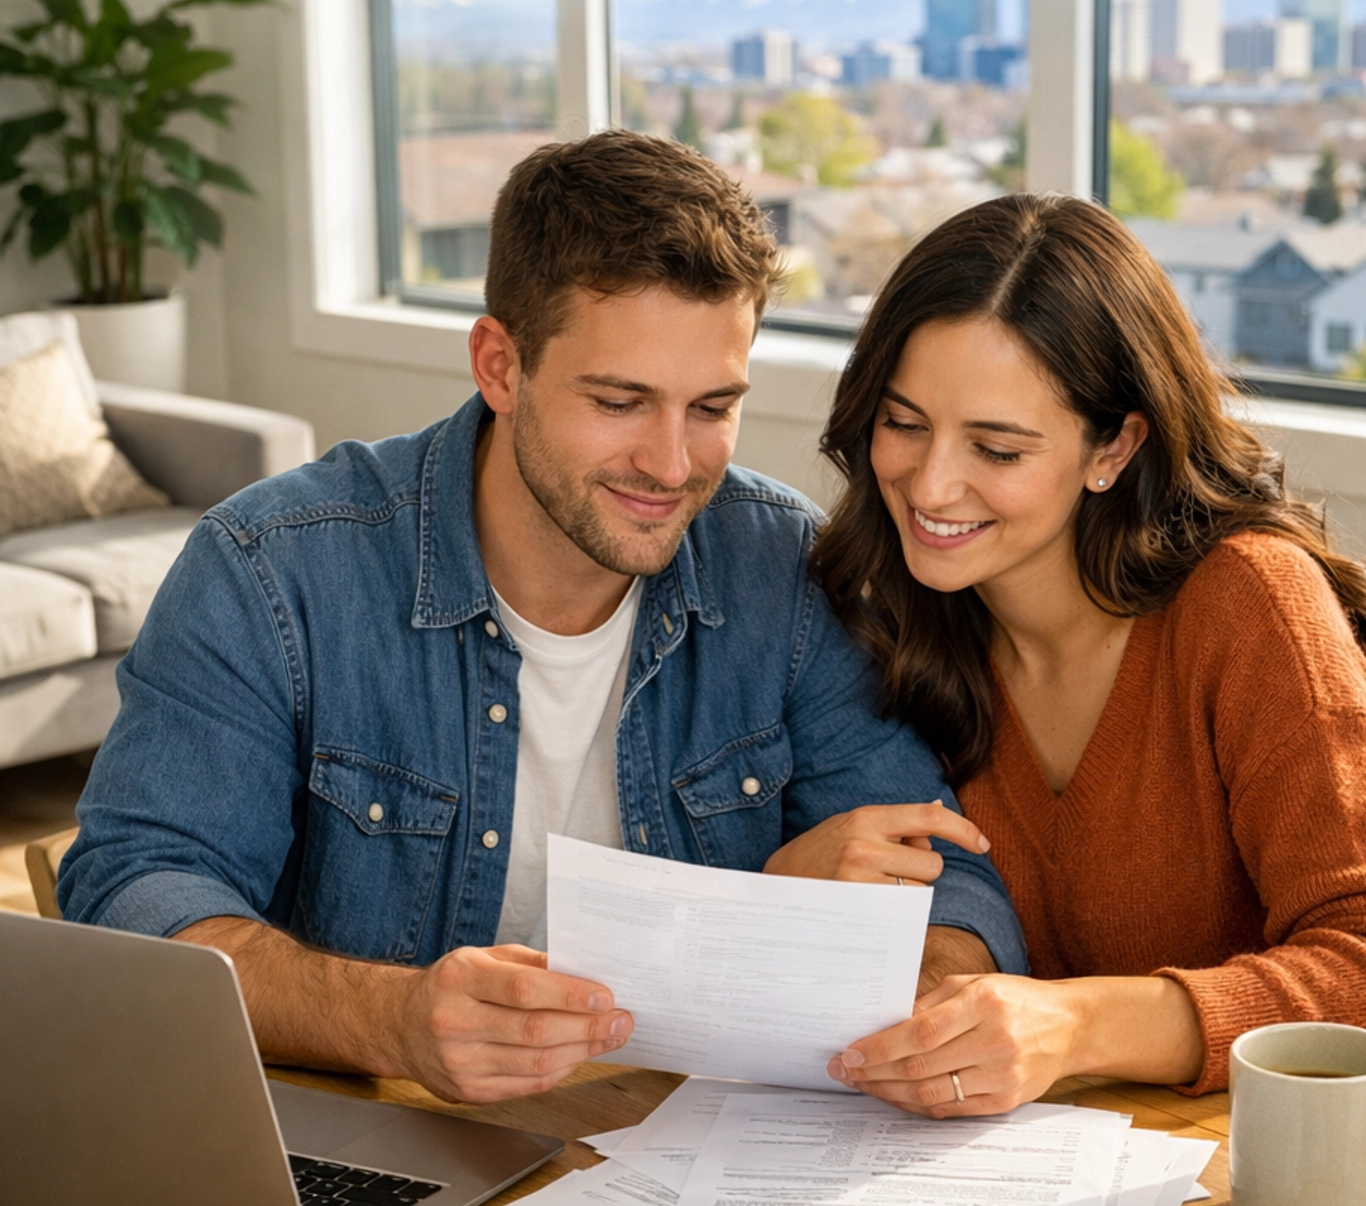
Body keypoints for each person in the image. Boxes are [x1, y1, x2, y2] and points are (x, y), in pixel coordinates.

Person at [59, 133, 1023, 1103]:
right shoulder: (274, 569)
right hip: (382, 1131)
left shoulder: (788, 570)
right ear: (500, 366)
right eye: (619, 401)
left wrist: (920, 986)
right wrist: (391, 1019)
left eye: (712, 406)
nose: (672, 462)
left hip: (675, 1145)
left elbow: (951, 887)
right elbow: (133, 894)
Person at [812, 190, 1366, 1117]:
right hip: (1078, 1177)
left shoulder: (1249, 602)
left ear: (1115, 446)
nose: (931, 483)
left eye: (998, 448)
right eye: (903, 424)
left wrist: (1078, 1026)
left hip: (1363, 1164)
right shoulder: (900, 615)